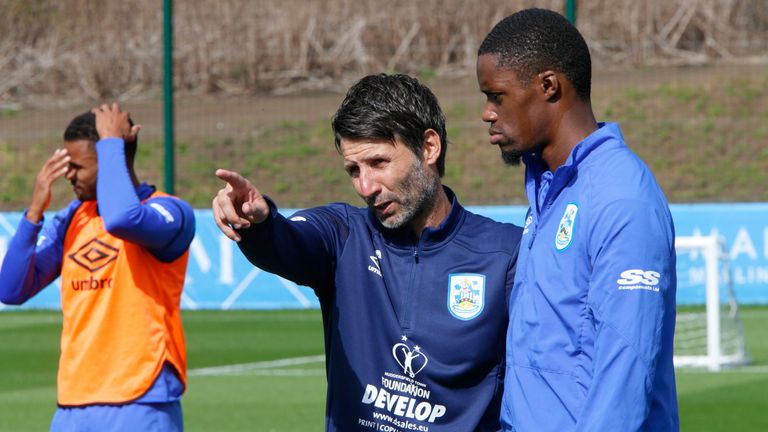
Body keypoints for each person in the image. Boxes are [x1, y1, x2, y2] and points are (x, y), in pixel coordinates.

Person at [213, 73, 522, 431]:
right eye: (353, 169)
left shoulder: (505, 254)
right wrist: (259, 224)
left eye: (379, 163)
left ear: (429, 148)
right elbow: (288, 243)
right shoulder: (342, 235)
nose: (365, 186)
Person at [476, 8, 679, 431]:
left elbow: (626, 368)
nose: (486, 113)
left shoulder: (621, 198)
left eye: (497, 96)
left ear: (549, 86)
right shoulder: (550, 188)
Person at [0, 104, 195, 431]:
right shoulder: (72, 219)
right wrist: (34, 212)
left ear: (112, 154)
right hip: (73, 405)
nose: (68, 175)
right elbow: (10, 290)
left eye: (78, 166)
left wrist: (110, 143)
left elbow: (121, 219)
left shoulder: (170, 212)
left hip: (141, 398)